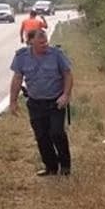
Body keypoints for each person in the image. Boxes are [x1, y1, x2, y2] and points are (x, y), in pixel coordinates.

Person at [9, 28, 74, 177]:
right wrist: (13, 101)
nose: (45, 44)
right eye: (41, 42)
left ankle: (65, 166)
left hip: (55, 101)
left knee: (57, 133)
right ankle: (51, 167)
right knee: (41, 136)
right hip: (35, 103)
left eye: (46, 41)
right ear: (31, 41)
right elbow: (17, 79)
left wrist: (66, 95)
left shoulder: (57, 54)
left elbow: (68, 74)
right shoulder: (21, 57)